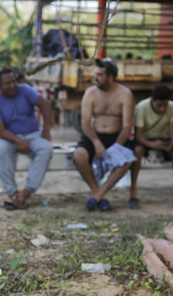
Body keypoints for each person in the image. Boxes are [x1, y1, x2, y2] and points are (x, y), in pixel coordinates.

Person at [73, 58, 141, 212]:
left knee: (127, 159)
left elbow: (126, 126)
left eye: (99, 75)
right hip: (94, 136)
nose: (95, 78)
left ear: (110, 77)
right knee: (79, 155)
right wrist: (96, 142)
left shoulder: (125, 94)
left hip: (117, 137)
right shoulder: (90, 93)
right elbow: (85, 124)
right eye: (95, 74)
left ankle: (98, 196)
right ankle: (98, 194)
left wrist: (116, 147)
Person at [0, 69, 54, 210]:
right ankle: (13, 193)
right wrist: (18, 141)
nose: (12, 86)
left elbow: (45, 105)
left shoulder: (25, 90)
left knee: (46, 148)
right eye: (7, 83)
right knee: (1, 150)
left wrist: (46, 130)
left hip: (33, 134)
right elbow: (0, 131)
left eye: (14, 81)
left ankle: (27, 192)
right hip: (9, 137)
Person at [133, 84, 173, 210]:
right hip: (145, 139)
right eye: (159, 105)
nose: (162, 109)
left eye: (165, 105)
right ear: (152, 101)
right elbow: (138, 136)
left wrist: (169, 144)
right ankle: (132, 192)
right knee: (137, 151)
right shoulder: (141, 107)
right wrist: (152, 144)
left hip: (161, 139)